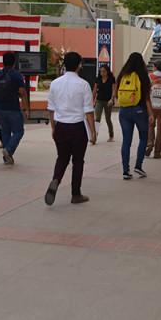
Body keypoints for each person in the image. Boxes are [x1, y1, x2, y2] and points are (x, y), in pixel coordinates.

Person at [45, 51, 97, 206]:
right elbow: (88, 111)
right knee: (78, 161)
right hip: (77, 128)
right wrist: (93, 132)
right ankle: (76, 194)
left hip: (61, 126)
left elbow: (51, 109)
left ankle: (56, 179)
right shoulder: (83, 84)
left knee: (62, 158)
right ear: (79, 65)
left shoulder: (55, 83)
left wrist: (53, 128)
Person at [116, 52, 154, 180]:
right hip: (139, 110)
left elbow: (117, 94)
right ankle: (138, 165)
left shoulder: (122, 75)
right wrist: (151, 113)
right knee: (143, 138)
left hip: (124, 111)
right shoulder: (143, 76)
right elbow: (147, 98)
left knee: (126, 141)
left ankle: (125, 171)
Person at [0, 52, 30, 166]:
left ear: (3, 61)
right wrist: (26, 109)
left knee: (6, 132)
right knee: (19, 131)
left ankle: (7, 158)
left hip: (0, 109)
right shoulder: (16, 75)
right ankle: (9, 150)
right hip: (13, 108)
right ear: (14, 62)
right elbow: (22, 92)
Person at [93, 64, 116, 142]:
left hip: (108, 101)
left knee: (108, 119)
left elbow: (113, 90)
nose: (102, 73)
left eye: (104, 71)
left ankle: (111, 135)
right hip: (99, 100)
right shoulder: (98, 79)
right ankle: (94, 136)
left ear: (107, 71)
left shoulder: (111, 79)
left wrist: (112, 99)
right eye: (100, 71)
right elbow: (95, 90)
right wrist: (92, 101)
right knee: (97, 118)